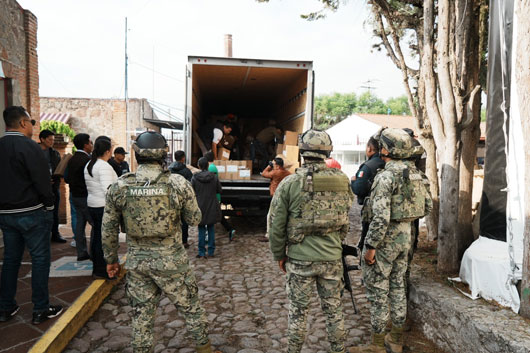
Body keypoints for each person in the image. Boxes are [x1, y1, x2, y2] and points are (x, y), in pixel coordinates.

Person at [102, 131, 213, 353]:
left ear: (136, 154)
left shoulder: (121, 186)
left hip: (138, 264)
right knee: (191, 309)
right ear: (164, 154)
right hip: (172, 262)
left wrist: (111, 259)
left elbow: (108, 228)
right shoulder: (177, 183)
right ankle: (205, 349)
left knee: (141, 317)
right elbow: (194, 219)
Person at [268, 129, 354, 353]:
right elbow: (345, 217)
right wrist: (336, 243)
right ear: (327, 152)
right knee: (334, 311)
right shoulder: (343, 180)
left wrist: (279, 254)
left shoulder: (290, 183)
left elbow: (276, 224)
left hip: (299, 259)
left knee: (298, 311)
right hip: (332, 257)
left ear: (303, 153)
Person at [349, 128, 432, 353]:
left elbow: (381, 216)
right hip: (406, 236)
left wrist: (371, 246)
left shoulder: (386, 175)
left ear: (387, 149)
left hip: (385, 239)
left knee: (378, 291)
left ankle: (376, 345)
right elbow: (427, 207)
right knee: (397, 287)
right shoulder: (417, 174)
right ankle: (395, 340)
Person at [0, 106, 63, 325]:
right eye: (31, 122)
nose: (32, 127)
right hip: (31, 212)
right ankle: (40, 308)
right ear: (23, 123)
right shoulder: (29, 147)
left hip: (6, 214)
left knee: (10, 260)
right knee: (39, 259)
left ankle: (5, 306)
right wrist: (48, 205)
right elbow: (42, 180)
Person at [84, 138, 117, 279]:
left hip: (93, 205)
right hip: (103, 207)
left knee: (97, 238)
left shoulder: (90, 164)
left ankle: (98, 268)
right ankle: (102, 270)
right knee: (104, 241)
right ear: (108, 151)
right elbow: (109, 190)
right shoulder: (103, 166)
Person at [351, 136, 385, 251]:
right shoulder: (387, 163)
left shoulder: (368, 166)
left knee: (367, 241)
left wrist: (353, 181)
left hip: (371, 211)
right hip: (387, 210)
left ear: (370, 148)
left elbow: (359, 189)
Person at [65, 133, 93, 261]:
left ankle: (81, 252)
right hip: (85, 196)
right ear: (86, 145)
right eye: (90, 143)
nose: (92, 145)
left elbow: (66, 178)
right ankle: (94, 252)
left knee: (79, 224)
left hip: (75, 195)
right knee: (95, 224)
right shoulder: (87, 160)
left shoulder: (72, 159)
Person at [39, 129, 66, 243]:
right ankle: (41, 236)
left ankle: (55, 234)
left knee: (54, 212)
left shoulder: (54, 153)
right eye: (50, 140)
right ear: (42, 139)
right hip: (38, 189)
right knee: (41, 213)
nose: (52, 142)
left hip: (54, 187)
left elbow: (58, 167)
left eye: (53, 140)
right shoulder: (34, 151)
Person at [192, 157, 222, 259]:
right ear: (208, 166)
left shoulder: (195, 178)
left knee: (201, 228)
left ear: (199, 166)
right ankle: (211, 251)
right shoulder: (214, 177)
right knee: (211, 228)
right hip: (212, 204)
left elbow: (192, 191)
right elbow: (219, 190)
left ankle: (201, 252)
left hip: (199, 204)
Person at [204, 151, 236, 241]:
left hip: (213, 196)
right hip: (214, 196)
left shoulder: (211, 168)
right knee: (219, 216)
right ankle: (230, 230)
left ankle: (209, 235)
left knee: (212, 216)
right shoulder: (212, 167)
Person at [169, 150, 193, 248]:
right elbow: (190, 186)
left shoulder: (169, 170)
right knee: (184, 221)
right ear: (183, 158)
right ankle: (184, 241)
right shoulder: (186, 171)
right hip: (183, 199)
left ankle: (173, 240)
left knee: (172, 220)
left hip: (171, 199)